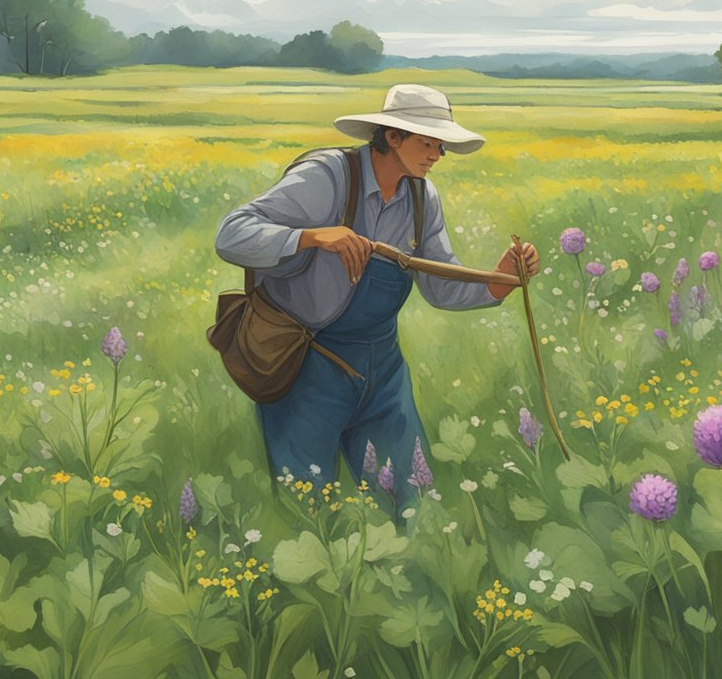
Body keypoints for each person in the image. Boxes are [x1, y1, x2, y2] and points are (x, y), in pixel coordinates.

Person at [214, 83, 539, 506]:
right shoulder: (328, 176)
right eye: (428, 143)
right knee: (307, 507)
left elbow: (440, 285)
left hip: (383, 371)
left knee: (413, 499)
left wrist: (500, 279)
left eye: (440, 146)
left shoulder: (422, 197)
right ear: (392, 136)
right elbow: (231, 234)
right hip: (306, 366)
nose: (437, 156)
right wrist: (312, 237)